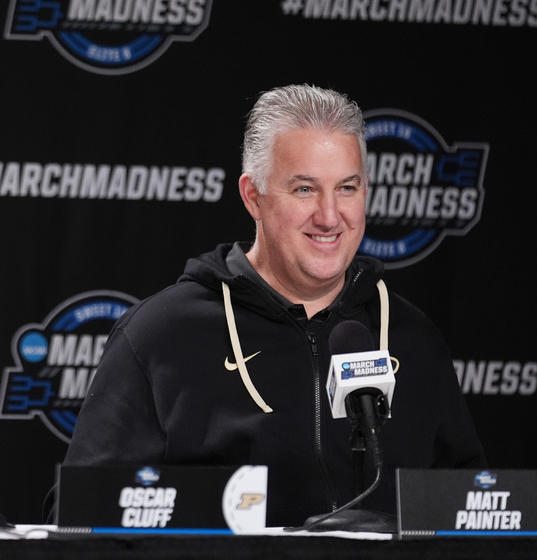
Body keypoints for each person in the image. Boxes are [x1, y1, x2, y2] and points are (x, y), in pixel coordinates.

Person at [63, 84, 485, 528]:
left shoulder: (412, 336)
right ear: (253, 196)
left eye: (347, 187)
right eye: (304, 189)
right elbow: (80, 516)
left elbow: (471, 514)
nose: (329, 215)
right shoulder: (161, 335)